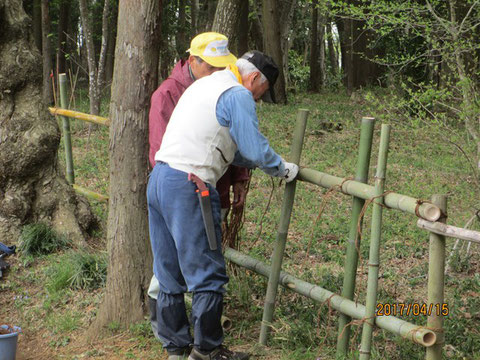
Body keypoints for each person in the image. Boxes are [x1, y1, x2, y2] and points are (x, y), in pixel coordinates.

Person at [147, 51, 299, 360]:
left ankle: (176, 347)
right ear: (254, 78)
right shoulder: (237, 94)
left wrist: (251, 163)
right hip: (190, 185)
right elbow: (254, 149)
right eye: (263, 91)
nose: (259, 99)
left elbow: (222, 144)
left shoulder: (204, 85)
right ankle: (207, 351)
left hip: (160, 178)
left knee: (168, 271)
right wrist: (283, 168)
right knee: (208, 273)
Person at [147, 32, 249, 347]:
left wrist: (239, 177)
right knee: (189, 271)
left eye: (222, 67)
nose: (217, 73)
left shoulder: (223, 91)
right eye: (211, 66)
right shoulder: (167, 94)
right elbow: (161, 151)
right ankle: (199, 348)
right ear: (192, 61)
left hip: (204, 189)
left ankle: (189, 343)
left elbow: (232, 135)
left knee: (188, 266)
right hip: (186, 191)